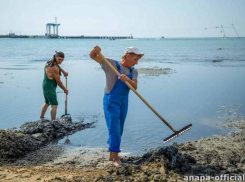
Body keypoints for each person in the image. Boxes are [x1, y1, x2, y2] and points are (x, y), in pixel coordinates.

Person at [89, 46, 144, 166]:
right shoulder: (111, 64)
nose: (136, 62)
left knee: (120, 127)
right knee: (114, 127)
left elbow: (134, 87)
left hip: (124, 101)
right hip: (111, 100)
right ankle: (115, 158)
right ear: (128, 56)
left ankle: (111, 153)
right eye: (135, 59)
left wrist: (127, 80)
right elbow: (92, 56)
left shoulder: (133, 71)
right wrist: (94, 51)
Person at [40, 51, 68, 121]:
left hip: (45, 85)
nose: (60, 61)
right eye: (59, 59)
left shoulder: (49, 62)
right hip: (50, 87)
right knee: (54, 104)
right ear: (55, 57)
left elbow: (57, 65)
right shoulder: (54, 68)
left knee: (47, 102)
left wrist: (63, 72)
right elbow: (59, 82)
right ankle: (53, 121)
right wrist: (65, 89)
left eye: (62, 60)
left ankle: (41, 117)